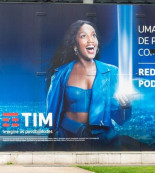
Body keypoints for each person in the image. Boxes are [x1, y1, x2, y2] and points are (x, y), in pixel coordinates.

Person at [46, 20, 133, 150]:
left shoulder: (112, 72)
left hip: (105, 140)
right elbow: (52, 116)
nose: (90, 40)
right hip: (69, 139)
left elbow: (121, 119)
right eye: (83, 36)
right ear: (75, 45)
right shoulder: (60, 75)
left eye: (93, 35)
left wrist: (126, 105)